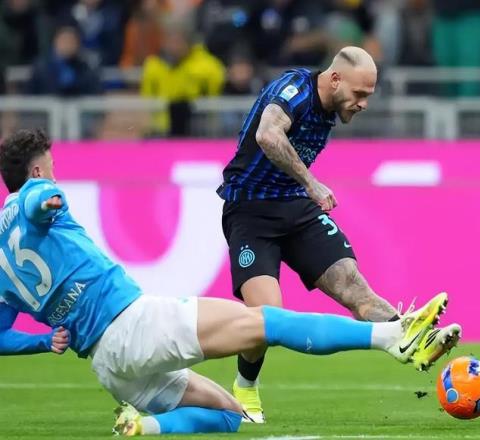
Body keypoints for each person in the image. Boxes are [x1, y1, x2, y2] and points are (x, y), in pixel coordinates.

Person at [0, 128, 451, 436]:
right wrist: (47, 200)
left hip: (108, 367)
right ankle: (393, 337)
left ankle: (142, 427)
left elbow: (1, 336)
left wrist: (42, 342)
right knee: (267, 322)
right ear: (36, 172)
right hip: (133, 324)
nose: (54, 175)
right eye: (51, 168)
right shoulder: (33, 195)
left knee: (230, 417)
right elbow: (38, 199)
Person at [216, 46, 461, 422]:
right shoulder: (294, 90)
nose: (363, 104)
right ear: (334, 79)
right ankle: (245, 387)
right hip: (250, 212)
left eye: (368, 95)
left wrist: (304, 189)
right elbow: (267, 134)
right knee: (267, 317)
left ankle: (411, 337)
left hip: (295, 207)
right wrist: (311, 183)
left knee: (353, 286)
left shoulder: (330, 108)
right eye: (359, 93)